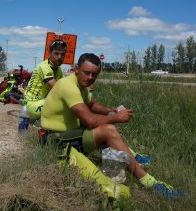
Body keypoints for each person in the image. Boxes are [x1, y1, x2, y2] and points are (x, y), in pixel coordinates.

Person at [41, 53, 183, 199]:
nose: (90, 78)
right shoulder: (68, 86)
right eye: (87, 73)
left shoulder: (80, 86)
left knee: (106, 126)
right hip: (53, 141)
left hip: (66, 135)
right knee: (108, 130)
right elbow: (90, 120)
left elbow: (92, 104)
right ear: (76, 69)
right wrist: (116, 117)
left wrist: (112, 110)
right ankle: (149, 182)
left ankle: (128, 159)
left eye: (94, 75)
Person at [24, 39, 67, 120]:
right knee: (64, 104)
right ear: (50, 53)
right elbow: (57, 89)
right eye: (56, 53)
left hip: (42, 102)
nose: (60, 57)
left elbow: (65, 85)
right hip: (32, 105)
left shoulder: (58, 70)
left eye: (62, 54)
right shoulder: (44, 66)